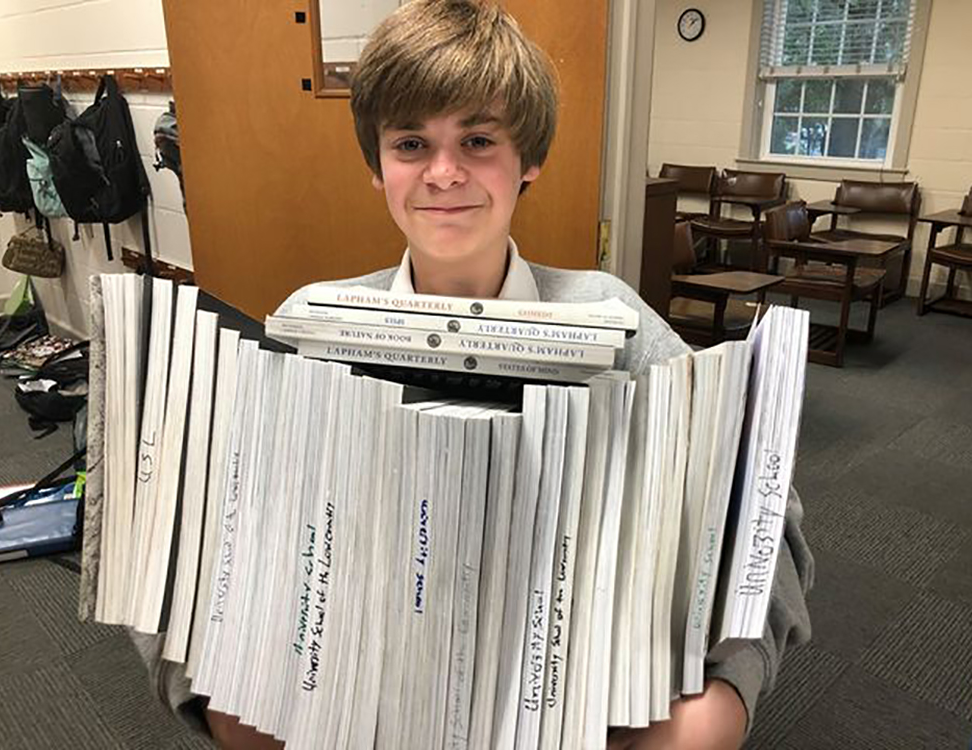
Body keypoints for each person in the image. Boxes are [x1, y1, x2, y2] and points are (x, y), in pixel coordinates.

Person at [133, 1, 814, 748]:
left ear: (530, 160)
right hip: (359, 705)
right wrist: (214, 699)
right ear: (377, 165)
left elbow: (762, 516)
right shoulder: (311, 328)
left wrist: (723, 701)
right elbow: (195, 529)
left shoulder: (611, 323)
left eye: (479, 139)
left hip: (570, 699)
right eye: (412, 142)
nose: (444, 172)